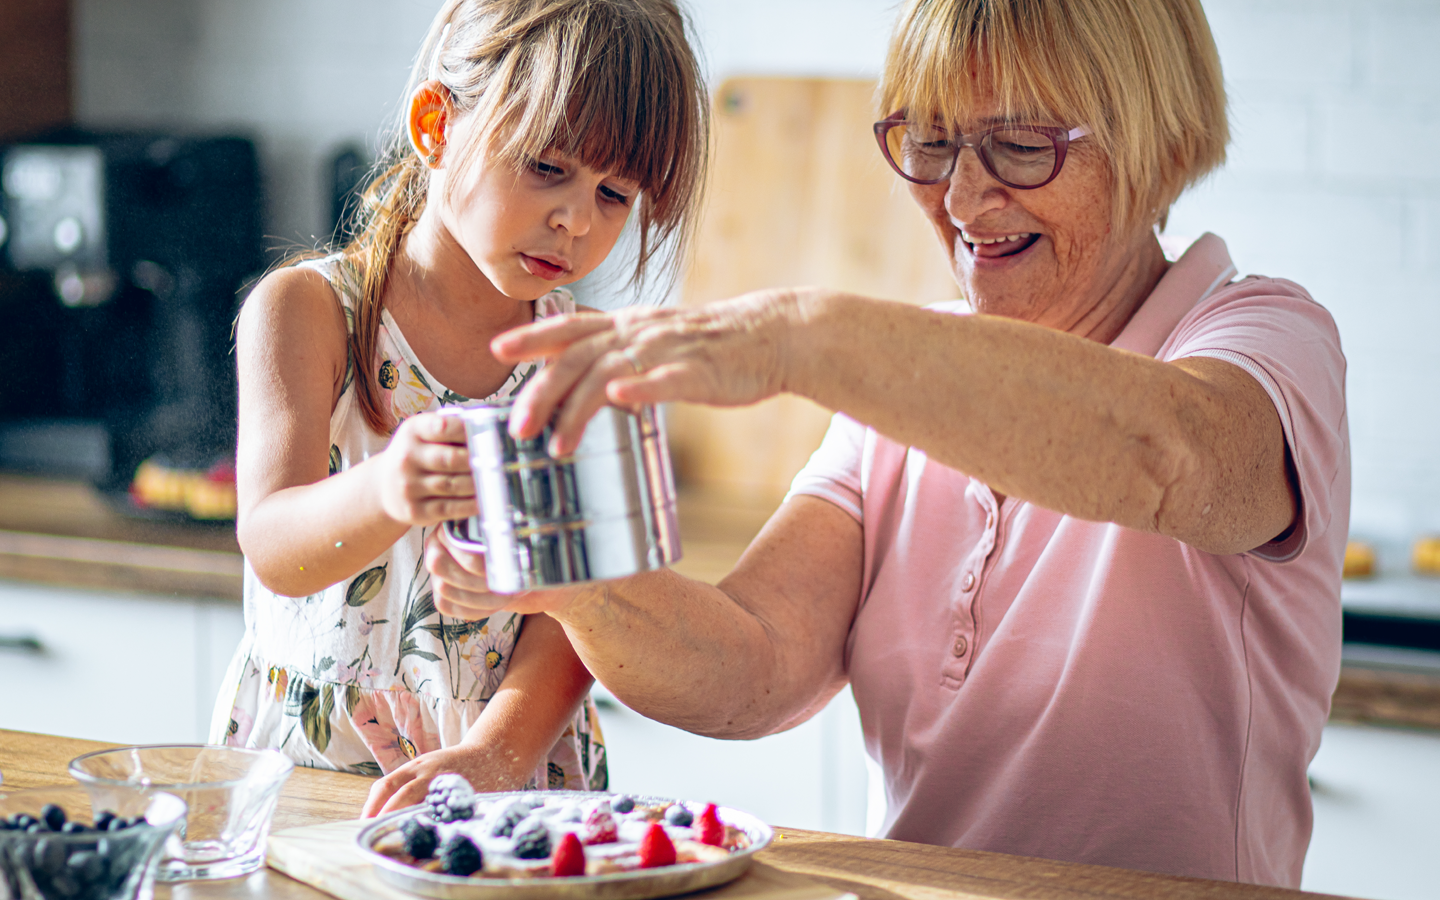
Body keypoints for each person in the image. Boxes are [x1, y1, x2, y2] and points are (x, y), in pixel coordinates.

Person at [423, 0, 1348, 888]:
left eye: (1024, 148)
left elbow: (1169, 455)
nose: (964, 197)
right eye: (933, 144)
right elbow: (753, 669)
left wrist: (797, 340)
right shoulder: (897, 392)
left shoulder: (1263, 337)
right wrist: (583, 590)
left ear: (1160, 142)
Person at [210, 0, 708, 817]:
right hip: (319, 768)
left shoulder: (587, 354)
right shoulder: (307, 312)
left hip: (513, 769)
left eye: (615, 194)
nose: (576, 220)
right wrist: (385, 491)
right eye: (547, 167)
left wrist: (495, 752)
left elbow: (581, 613)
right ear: (435, 123)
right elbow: (271, 545)